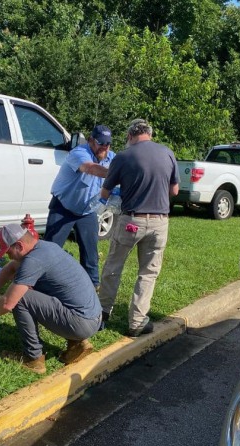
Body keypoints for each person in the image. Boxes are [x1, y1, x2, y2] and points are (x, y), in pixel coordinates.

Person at [0, 223, 102, 374]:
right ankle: (76, 344)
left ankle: (33, 359)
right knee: (36, 289)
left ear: (19, 245)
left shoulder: (33, 261)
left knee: (21, 298)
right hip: (93, 316)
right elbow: (10, 268)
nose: (7, 256)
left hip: (81, 322)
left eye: (8, 251)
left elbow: (7, 304)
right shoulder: (44, 247)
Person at [98, 119, 179, 337]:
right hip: (160, 222)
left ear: (131, 136)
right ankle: (137, 322)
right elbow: (175, 190)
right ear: (149, 134)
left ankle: (101, 315)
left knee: (113, 267)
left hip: (131, 221)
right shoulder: (168, 153)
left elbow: (105, 192)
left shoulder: (124, 156)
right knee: (148, 273)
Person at [44, 125, 115, 288]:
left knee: (91, 252)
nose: (104, 147)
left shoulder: (112, 157)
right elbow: (89, 168)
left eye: (108, 144)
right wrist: (116, 174)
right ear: (91, 141)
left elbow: (122, 166)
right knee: (50, 249)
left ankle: (92, 285)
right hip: (63, 206)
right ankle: (42, 282)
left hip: (87, 211)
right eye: (100, 143)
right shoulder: (79, 153)